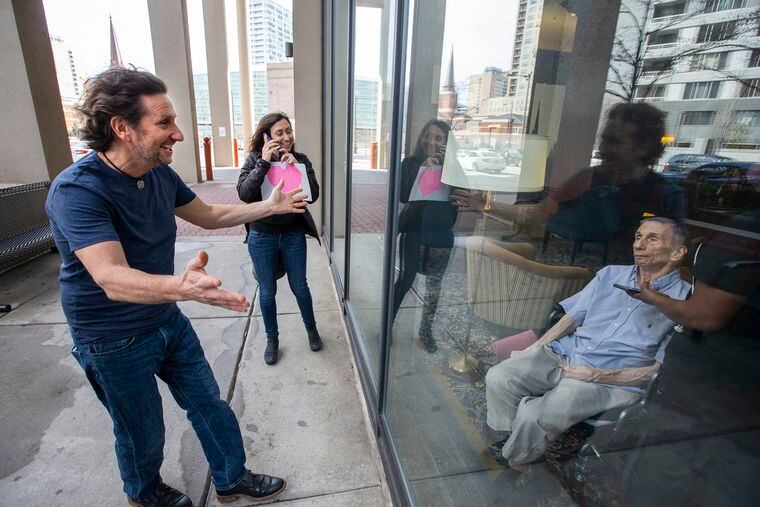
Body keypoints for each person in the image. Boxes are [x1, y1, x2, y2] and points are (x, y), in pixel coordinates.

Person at [45, 68, 303, 506]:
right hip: (111, 338)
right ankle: (144, 493)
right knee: (141, 430)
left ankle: (231, 478)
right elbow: (110, 277)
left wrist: (269, 206)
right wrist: (183, 287)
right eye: (164, 122)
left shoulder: (159, 173)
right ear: (122, 127)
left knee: (208, 403)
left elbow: (208, 215)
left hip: (165, 317)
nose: (178, 134)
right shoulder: (78, 190)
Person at [484, 217, 690, 467]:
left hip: (611, 377)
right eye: (638, 236)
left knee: (533, 415)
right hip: (567, 354)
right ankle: (509, 439)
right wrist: (534, 348)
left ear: (677, 252)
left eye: (652, 239)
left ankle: (515, 460)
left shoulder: (685, 303)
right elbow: (572, 317)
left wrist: (597, 374)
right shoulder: (610, 274)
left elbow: (660, 370)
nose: (639, 244)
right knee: (500, 377)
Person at [453, 103, 685, 261]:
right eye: (604, 140)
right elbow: (537, 213)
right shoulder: (588, 178)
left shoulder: (666, 195)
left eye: (614, 141)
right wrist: (485, 205)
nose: (603, 149)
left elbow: (673, 256)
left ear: (643, 147)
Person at [237, 112, 321, 365]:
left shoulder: (300, 159)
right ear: (266, 137)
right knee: (267, 291)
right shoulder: (254, 159)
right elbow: (244, 194)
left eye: (288, 131)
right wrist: (264, 162)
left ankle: (311, 329)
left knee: (300, 286)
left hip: (292, 234)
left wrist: (296, 168)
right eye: (279, 133)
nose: (286, 137)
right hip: (262, 235)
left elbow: (313, 195)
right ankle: (272, 339)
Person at [391, 119, 459, 352]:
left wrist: (450, 165)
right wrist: (422, 169)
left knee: (434, 287)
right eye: (427, 136)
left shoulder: (453, 166)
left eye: (438, 138)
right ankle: (388, 323)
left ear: (447, 143)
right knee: (405, 280)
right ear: (421, 138)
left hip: (442, 233)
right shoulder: (410, 163)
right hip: (415, 230)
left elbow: (464, 194)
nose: (431, 141)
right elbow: (402, 195)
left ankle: (426, 330)